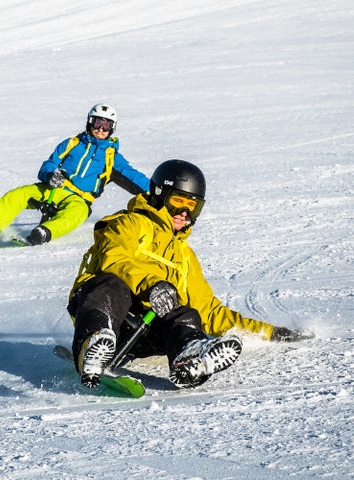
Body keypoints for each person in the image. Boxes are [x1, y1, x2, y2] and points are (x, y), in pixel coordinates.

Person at [67, 159, 314, 389]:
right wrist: (153, 286)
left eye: (192, 206)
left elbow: (209, 311)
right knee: (111, 284)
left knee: (185, 312)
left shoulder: (185, 256)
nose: (184, 213)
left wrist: (269, 332)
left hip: (144, 330)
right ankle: (93, 347)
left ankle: (190, 357)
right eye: (178, 201)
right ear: (160, 195)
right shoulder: (130, 224)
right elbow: (115, 260)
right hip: (103, 311)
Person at [0, 104, 150, 251]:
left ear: (112, 129)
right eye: (97, 123)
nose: (100, 129)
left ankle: (44, 232)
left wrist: (160, 191)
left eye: (106, 125)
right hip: (54, 189)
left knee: (76, 215)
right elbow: (48, 165)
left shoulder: (112, 157)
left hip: (80, 199)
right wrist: (51, 175)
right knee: (16, 196)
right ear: (89, 122)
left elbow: (133, 177)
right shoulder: (72, 144)